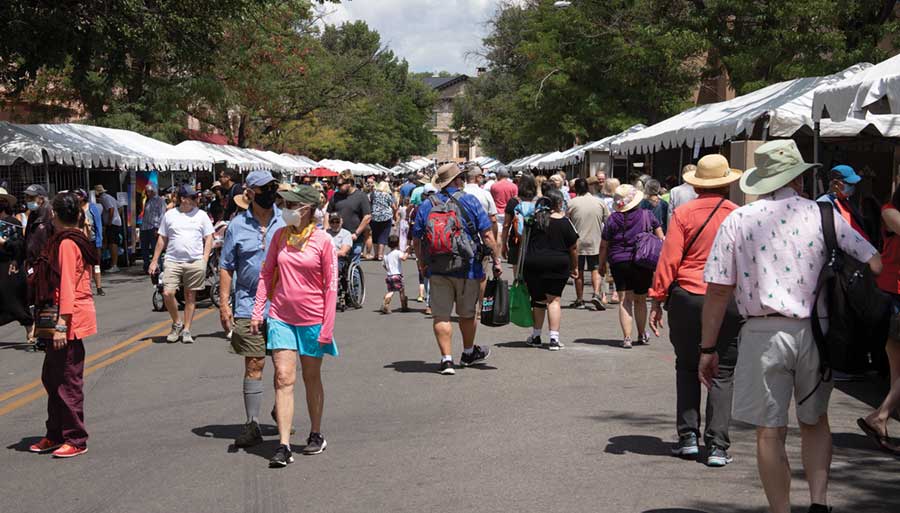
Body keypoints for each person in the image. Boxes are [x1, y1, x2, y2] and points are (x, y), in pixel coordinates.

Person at [700, 140, 880, 513]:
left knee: (770, 430)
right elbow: (874, 262)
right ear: (799, 176)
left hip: (762, 334)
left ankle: (780, 509)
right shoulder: (825, 215)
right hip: (819, 330)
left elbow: (718, 290)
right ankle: (818, 502)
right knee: (814, 421)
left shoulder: (739, 219)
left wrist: (707, 348)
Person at [648, 154, 743, 467]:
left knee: (687, 366)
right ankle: (717, 445)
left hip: (688, 295)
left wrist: (657, 298)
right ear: (728, 183)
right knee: (723, 372)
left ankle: (688, 437)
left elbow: (670, 258)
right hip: (727, 298)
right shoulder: (738, 214)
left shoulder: (683, 214)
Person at [251, 185, 338, 467]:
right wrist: (257, 311)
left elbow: (331, 286)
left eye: (291, 204)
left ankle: (315, 433)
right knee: (283, 377)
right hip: (281, 317)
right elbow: (266, 275)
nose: (285, 208)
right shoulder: (279, 236)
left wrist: (328, 326)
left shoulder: (323, 241)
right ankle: (284, 445)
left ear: (307, 209)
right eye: (284, 203)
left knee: (310, 377)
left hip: (313, 319)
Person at [412, 163, 503, 375]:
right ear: (458, 180)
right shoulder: (470, 201)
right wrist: (496, 261)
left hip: (438, 267)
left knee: (441, 316)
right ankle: (469, 352)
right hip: (468, 267)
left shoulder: (427, 205)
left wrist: (421, 262)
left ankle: (446, 360)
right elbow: (487, 236)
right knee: (467, 314)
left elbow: (417, 239)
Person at [27, 192, 99, 458]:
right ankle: (56, 433)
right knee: (52, 377)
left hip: (68, 318)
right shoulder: (66, 239)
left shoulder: (68, 243)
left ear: (55, 215)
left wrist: (61, 325)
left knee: (68, 381)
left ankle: (76, 438)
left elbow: (67, 284)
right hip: (62, 315)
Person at [218, 171, 285, 448]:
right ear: (251, 193)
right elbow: (226, 265)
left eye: (273, 187)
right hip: (248, 304)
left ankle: (282, 406)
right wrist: (224, 303)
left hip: (283, 303)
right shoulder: (236, 225)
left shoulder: (286, 221)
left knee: (283, 368)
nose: (270, 192)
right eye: (264, 188)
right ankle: (253, 423)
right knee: (254, 363)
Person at [860, 185, 900, 455]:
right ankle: (881, 415)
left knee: (897, 371)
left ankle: (882, 419)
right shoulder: (890, 212)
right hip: (894, 296)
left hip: (893, 295)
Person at [148, 184, 214, 345]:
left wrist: (204, 259)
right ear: (183, 199)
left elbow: (209, 237)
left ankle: (187, 329)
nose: (196, 200)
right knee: (167, 293)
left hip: (194, 261)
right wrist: (154, 260)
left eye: (196, 197)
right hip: (172, 260)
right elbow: (162, 238)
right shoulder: (170, 215)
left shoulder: (202, 215)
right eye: (193, 197)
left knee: (190, 297)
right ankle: (177, 322)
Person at [599, 184, 663, 349]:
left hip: (619, 262)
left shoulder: (613, 218)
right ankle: (641, 334)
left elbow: (604, 245)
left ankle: (627, 338)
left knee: (625, 300)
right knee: (641, 300)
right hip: (642, 261)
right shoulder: (647, 215)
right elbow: (661, 238)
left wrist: (601, 264)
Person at [523, 189, 579, 351]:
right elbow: (573, 247)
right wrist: (575, 267)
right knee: (554, 300)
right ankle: (554, 338)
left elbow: (524, 241)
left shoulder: (534, 220)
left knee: (538, 300)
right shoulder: (565, 222)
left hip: (534, 263)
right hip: (557, 263)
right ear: (560, 203)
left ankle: (536, 335)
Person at [566, 178, 609, 310]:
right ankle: (596, 294)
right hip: (595, 241)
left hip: (577, 242)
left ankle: (580, 299)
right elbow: (608, 221)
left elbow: (566, 222)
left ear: (576, 189)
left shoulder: (571, 203)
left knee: (578, 271)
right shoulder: (600, 202)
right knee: (595, 269)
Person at [24, 184, 54, 351]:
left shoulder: (49, 215)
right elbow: (28, 239)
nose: (28, 201)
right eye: (27, 197)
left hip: (45, 265)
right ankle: (42, 335)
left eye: (31, 197)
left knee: (45, 300)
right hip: (32, 264)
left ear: (41, 199)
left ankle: (46, 335)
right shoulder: (33, 216)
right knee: (36, 300)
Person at [0, 187, 31, 336]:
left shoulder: (13, 223)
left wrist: (5, 244)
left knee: (14, 298)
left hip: (9, 265)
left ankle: (29, 327)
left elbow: (20, 245)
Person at [327, 170, 371, 264]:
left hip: (354, 237)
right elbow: (328, 213)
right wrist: (326, 230)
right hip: (336, 237)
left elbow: (367, 217)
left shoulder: (361, 196)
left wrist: (356, 233)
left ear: (349, 183)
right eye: (336, 185)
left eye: (340, 185)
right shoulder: (336, 196)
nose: (337, 187)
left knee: (353, 268)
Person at [817, 164, 868, 240]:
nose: (853, 187)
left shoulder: (847, 201)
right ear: (836, 184)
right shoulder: (823, 204)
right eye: (850, 184)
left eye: (854, 184)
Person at [502, 173, 537, 266]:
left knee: (517, 273)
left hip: (516, 241)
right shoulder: (538, 202)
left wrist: (503, 244)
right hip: (534, 241)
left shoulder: (513, 201)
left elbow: (506, 225)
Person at [74, 190, 104, 295]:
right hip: (80, 240)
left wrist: (99, 242)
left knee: (96, 264)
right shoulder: (75, 209)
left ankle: (99, 287)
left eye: (78, 195)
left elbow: (98, 225)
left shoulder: (92, 208)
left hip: (92, 240)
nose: (76, 197)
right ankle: (86, 287)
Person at [94, 185, 122, 273]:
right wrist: (117, 217)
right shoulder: (110, 197)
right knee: (111, 242)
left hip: (112, 223)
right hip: (116, 222)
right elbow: (120, 207)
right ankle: (113, 263)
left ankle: (114, 265)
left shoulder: (104, 198)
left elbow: (111, 209)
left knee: (112, 243)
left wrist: (109, 221)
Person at [140, 183, 167, 275]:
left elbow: (162, 215)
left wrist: (159, 228)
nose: (147, 193)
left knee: (155, 248)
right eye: (147, 191)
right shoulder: (148, 200)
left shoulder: (160, 201)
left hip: (153, 227)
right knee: (144, 248)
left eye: (149, 191)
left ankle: (157, 266)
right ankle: (146, 265)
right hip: (145, 227)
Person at [382, 234, 410, 314]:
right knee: (401, 291)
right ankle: (404, 306)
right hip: (397, 275)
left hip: (389, 275)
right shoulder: (398, 252)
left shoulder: (386, 255)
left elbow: (384, 265)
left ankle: (386, 302)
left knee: (391, 291)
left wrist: (388, 270)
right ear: (398, 244)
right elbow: (404, 258)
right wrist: (408, 252)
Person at [369, 181, 395, 261]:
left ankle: (376, 254)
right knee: (383, 235)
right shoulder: (388, 195)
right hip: (386, 217)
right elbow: (393, 206)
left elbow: (370, 203)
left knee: (375, 234)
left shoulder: (373, 194)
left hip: (374, 216)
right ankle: (380, 255)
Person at [490, 167, 518, 232]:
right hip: (510, 213)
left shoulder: (494, 186)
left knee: (499, 233)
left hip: (498, 212)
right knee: (508, 232)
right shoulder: (514, 186)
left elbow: (492, 199)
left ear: (499, 175)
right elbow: (516, 200)